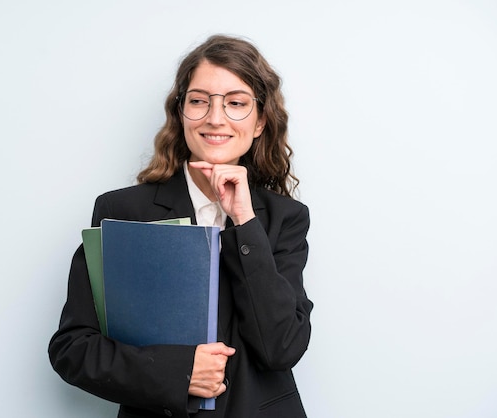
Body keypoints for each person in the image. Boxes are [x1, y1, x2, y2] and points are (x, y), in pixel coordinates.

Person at [48, 34, 313, 418]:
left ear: (260, 123)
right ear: (181, 114)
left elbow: (282, 347)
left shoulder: (284, 219)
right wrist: (180, 371)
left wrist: (244, 221)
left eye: (236, 103)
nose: (215, 118)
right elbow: (74, 349)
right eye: (199, 101)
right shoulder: (122, 210)